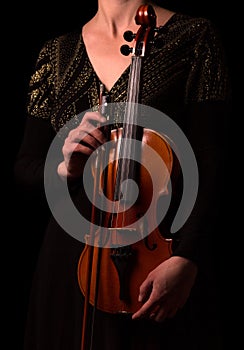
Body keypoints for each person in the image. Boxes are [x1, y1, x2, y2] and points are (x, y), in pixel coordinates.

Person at [14, 0, 231, 349]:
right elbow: (26, 167)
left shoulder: (194, 37)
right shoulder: (56, 53)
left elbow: (211, 161)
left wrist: (188, 258)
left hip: (159, 260)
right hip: (68, 263)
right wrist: (63, 165)